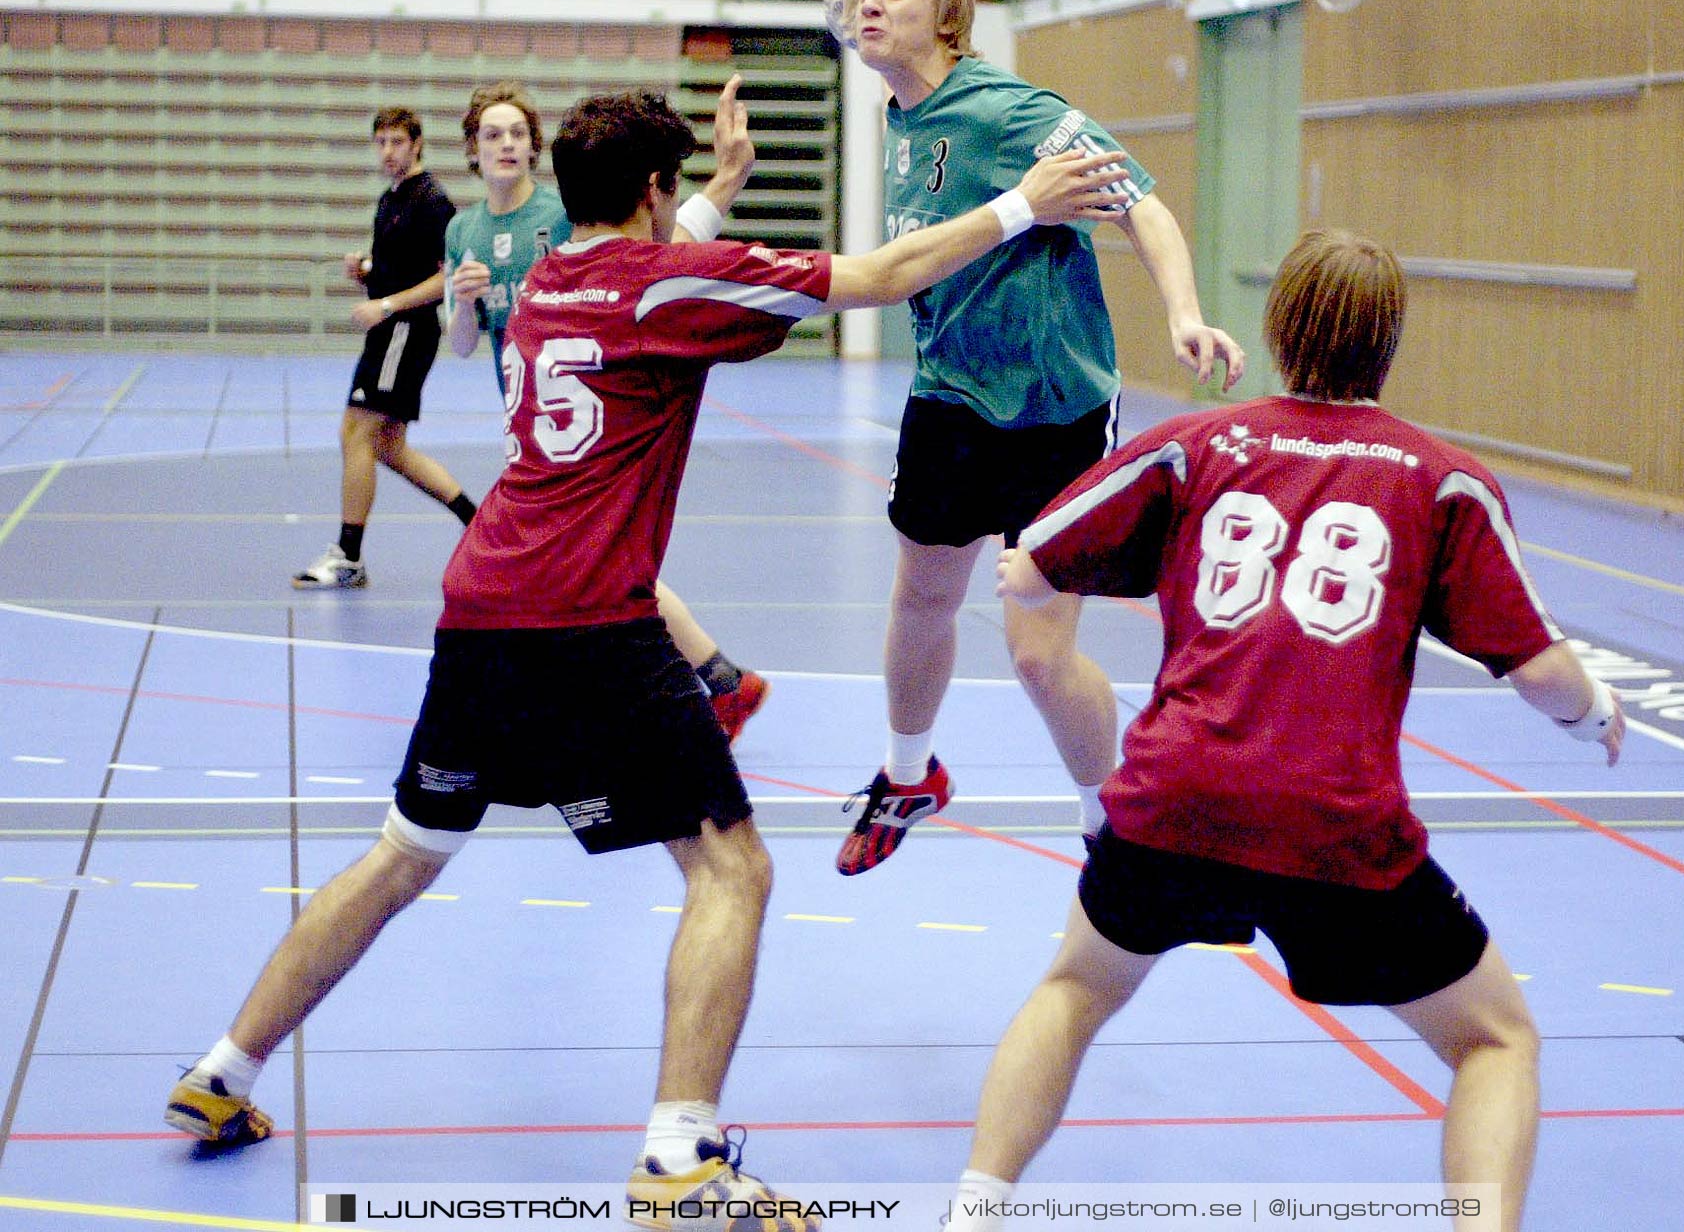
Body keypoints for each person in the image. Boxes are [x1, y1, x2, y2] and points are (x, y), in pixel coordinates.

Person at [161, 85, 1132, 1231]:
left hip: (480, 614)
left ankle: (221, 1072)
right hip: (591, 627)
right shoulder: (662, 285)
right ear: (652, 193)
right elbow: (872, 278)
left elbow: (676, 264)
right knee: (733, 871)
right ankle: (681, 1158)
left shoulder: (547, 288)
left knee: (399, 858)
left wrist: (718, 190)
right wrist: (1024, 202)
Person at [941, 228, 1628, 1232]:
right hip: (1336, 826)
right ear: (1390, 344)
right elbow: (1540, 673)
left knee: (1077, 988)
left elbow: (1033, 562)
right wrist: (1596, 713)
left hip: (1173, 798)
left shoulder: (1202, 446)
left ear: (1277, 329)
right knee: (1495, 1041)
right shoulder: (1439, 479)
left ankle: (974, 1209)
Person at [831, 0, 1247, 876]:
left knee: (1034, 652)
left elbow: (1139, 199)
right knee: (922, 596)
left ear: (946, 14)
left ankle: (1116, 825)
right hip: (949, 393)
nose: (871, 2)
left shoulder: (1009, 110)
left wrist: (1183, 312)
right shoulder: (898, 117)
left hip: (1052, 410)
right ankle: (908, 775)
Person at [444, 79, 770, 739]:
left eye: (516, 133)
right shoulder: (463, 229)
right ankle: (719, 680)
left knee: (590, 567)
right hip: (536, 415)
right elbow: (462, 346)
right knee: (595, 566)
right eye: (491, 135)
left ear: (537, 150)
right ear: (473, 153)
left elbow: (660, 257)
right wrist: (462, 303)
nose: (505, 145)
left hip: (603, 404)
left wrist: (726, 183)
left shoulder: (571, 216)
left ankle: (706, 683)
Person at [293, 107, 477, 590]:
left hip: (406, 332)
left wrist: (389, 304)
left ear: (416, 144)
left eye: (397, 141)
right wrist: (367, 273)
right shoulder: (389, 200)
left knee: (354, 433)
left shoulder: (432, 201)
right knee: (389, 447)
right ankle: (479, 524)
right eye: (380, 142)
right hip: (388, 330)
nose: (388, 150)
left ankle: (349, 556)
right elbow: (399, 268)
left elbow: (446, 277)